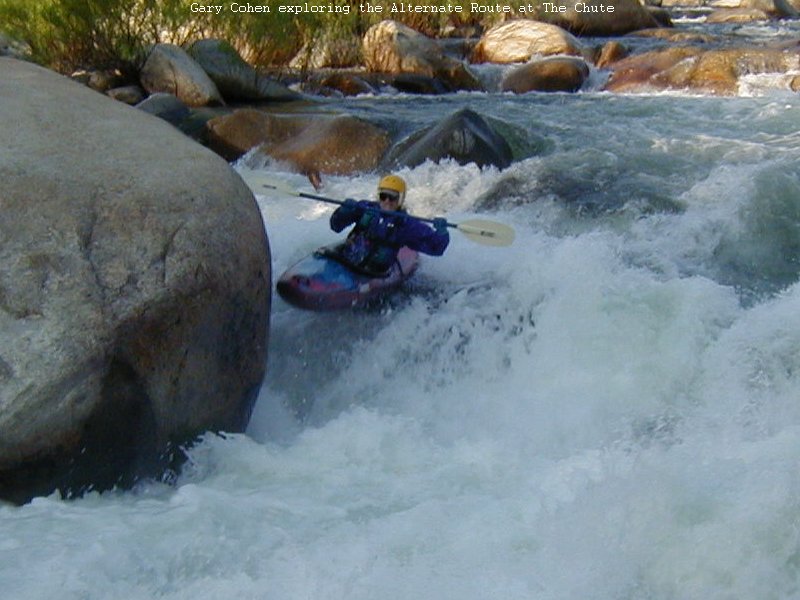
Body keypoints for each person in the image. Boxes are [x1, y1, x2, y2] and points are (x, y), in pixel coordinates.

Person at [327, 174, 450, 276]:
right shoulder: (365, 208)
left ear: (400, 199)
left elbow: (436, 248)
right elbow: (335, 226)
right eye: (383, 196)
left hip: (373, 273)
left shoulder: (406, 224)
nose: (387, 201)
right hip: (345, 261)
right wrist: (344, 211)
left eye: (392, 197)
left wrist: (442, 233)